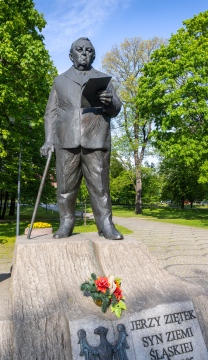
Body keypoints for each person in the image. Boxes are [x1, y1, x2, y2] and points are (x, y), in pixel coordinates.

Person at [40, 37, 123, 240]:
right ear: (71, 55)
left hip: (95, 139)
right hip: (66, 140)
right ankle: (66, 222)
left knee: (100, 186)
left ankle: (106, 224)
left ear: (93, 55)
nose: (84, 53)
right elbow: (50, 113)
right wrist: (48, 140)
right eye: (79, 50)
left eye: (88, 50)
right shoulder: (59, 81)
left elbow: (116, 109)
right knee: (66, 187)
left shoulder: (104, 80)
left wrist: (110, 102)